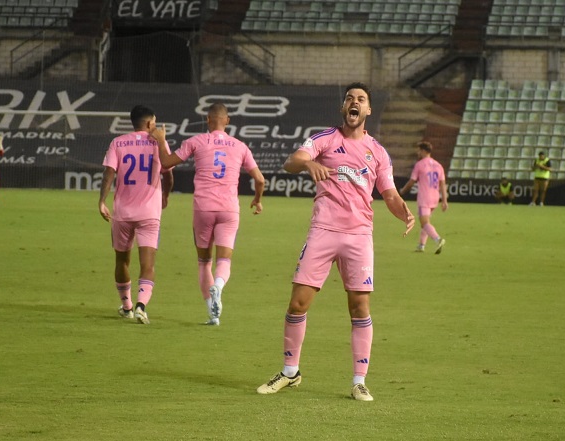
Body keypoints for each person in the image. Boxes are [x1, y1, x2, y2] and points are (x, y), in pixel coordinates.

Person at [256, 82, 415, 402]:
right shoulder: (324, 139)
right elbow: (292, 161)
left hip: (359, 237)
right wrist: (308, 162)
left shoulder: (378, 152)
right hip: (323, 231)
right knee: (298, 302)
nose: (354, 103)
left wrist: (405, 213)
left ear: (368, 110)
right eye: (349, 99)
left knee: (359, 307)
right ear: (344, 108)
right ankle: (290, 372)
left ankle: (359, 381)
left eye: (361, 99)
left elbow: (390, 194)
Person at [154, 102, 265, 326]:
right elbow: (260, 179)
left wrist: (160, 140)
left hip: (203, 208)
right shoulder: (240, 146)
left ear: (207, 120)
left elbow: (166, 163)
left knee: (204, 262)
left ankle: (212, 314)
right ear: (228, 121)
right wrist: (257, 199)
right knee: (225, 259)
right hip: (229, 209)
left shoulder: (196, 141)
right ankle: (219, 286)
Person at [98, 105, 174, 324]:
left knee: (122, 261)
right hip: (150, 213)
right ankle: (141, 306)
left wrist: (102, 201)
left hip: (122, 212)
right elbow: (168, 174)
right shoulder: (159, 142)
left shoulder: (118, 142)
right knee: (147, 264)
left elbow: (108, 173)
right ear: (150, 123)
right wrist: (166, 196)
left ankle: (127, 306)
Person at [398, 141, 447, 253]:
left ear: (424, 151)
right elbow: (442, 184)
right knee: (426, 222)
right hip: (435, 198)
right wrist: (444, 200)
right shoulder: (438, 165)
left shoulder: (420, 165)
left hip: (425, 198)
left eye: (419, 150)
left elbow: (412, 181)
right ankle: (421, 245)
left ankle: (438, 240)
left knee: (424, 222)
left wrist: (403, 191)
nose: (418, 152)